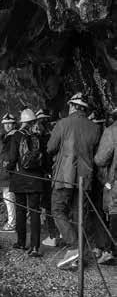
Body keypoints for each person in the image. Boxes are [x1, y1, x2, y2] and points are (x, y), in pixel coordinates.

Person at [47, 92, 100, 269]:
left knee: (58, 209)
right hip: (85, 177)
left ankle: (74, 246)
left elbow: (50, 147)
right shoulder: (95, 128)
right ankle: (78, 255)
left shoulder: (63, 123)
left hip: (64, 175)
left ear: (73, 106)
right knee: (79, 214)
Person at [7, 108, 44, 256]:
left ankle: (21, 242)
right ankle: (35, 247)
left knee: (20, 210)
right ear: (33, 121)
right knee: (35, 212)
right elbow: (43, 158)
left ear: (22, 122)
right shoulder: (38, 136)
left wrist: (9, 169)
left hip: (20, 178)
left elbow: (12, 158)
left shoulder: (16, 135)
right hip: (36, 179)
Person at [93, 106, 117, 264]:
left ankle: (111, 252)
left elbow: (101, 159)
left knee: (115, 211)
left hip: (115, 180)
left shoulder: (112, 131)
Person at [35, 109, 60, 247]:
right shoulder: (56, 135)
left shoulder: (40, 138)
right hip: (58, 173)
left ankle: (53, 235)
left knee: (49, 205)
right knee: (58, 204)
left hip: (45, 174)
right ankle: (60, 233)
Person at [0, 113, 18, 231]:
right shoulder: (7, 136)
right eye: (5, 124)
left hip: (10, 170)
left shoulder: (12, 137)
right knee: (8, 197)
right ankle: (13, 221)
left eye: (9, 123)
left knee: (9, 196)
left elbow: (11, 155)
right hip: (8, 169)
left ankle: (12, 223)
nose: (7, 126)